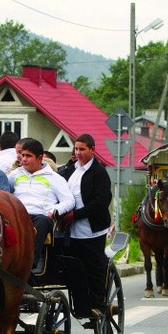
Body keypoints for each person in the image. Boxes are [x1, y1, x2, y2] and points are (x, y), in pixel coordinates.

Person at [59, 134, 112, 319]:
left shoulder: (99, 173)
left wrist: (75, 215)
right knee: (75, 269)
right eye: (76, 149)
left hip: (91, 229)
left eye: (82, 149)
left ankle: (98, 305)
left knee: (94, 268)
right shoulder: (70, 170)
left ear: (92, 149)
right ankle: (81, 306)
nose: (78, 153)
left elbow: (101, 201)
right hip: (71, 230)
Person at [8, 139, 74, 273]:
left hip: (41, 217)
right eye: (23, 155)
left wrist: (54, 211)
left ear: (39, 158)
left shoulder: (54, 178)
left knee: (42, 221)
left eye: (28, 156)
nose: (24, 159)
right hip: (18, 216)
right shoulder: (14, 175)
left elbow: (69, 201)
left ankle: (29, 263)